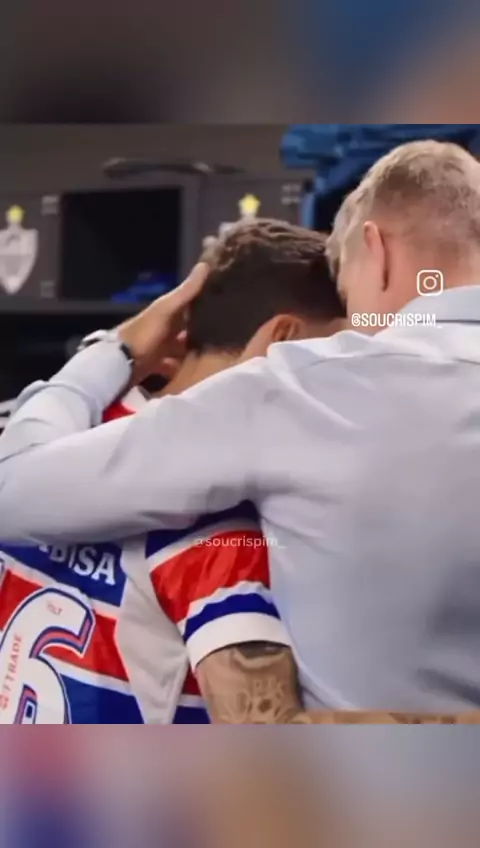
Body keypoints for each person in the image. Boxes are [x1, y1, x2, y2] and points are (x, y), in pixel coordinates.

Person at [3, 140, 480, 715]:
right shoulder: (227, 517)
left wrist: (111, 350)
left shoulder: (298, 390)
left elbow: (14, 487)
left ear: (376, 251)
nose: (365, 333)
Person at [0, 219, 348, 724]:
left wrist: (114, 349)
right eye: (343, 351)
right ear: (284, 340)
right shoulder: (221, 520)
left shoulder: (47, 431)